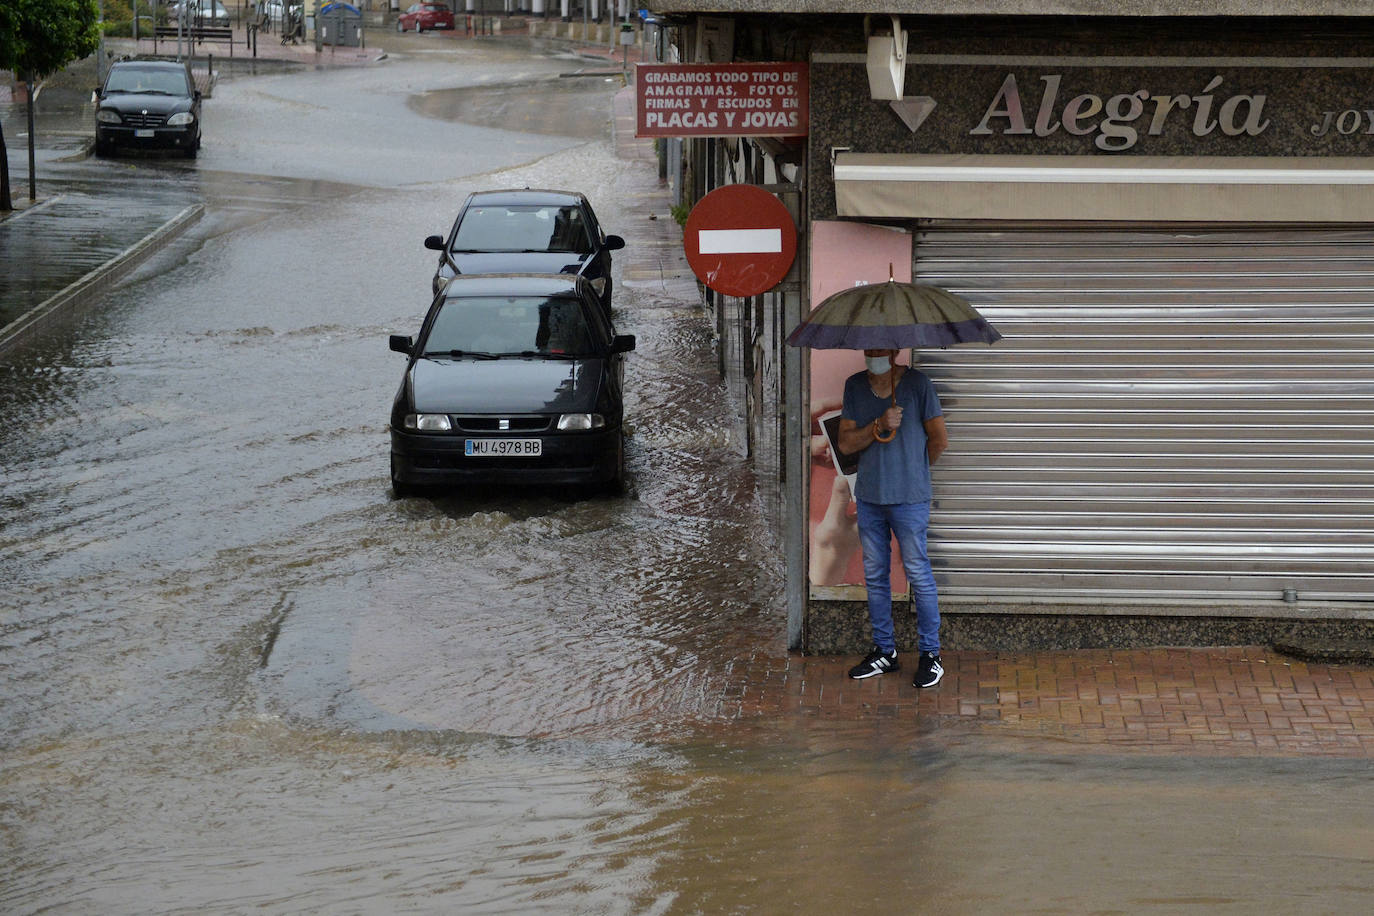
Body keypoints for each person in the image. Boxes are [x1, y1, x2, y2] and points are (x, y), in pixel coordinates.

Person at [836, 348, 949, 687]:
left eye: (881, 349)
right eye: (869, 349)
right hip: (870, 497)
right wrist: (878, 425)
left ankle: (931, 654)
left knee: (918, 570)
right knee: (876, 574)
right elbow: (844, 443)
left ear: (896, 351)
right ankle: (885, 651)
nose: (873, 355)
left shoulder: (918, 385)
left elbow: (939, 439)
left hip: (910, 500)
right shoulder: (854, 386)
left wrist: (913, 471)